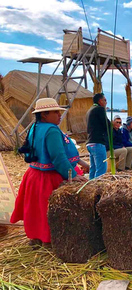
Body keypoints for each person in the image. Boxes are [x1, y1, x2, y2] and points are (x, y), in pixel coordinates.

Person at [10, 98, 87, 247]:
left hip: (33, 175)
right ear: (44, 114)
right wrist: (72, 174)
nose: (59, 115)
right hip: (48, 177)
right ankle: (49, 241)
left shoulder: (35, 126)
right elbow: (58, 157)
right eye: (55, 112)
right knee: (48, 210)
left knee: (36, 209)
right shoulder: (51, 130)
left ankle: (36, 238)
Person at [86, 93, 110, 179]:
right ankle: (97, 188)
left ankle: (90, 186)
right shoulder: (100, 109)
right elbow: (107, 125)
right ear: (100, 101)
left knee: (93, 168)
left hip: (90, 143)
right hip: (98, 143)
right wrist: (112, 125)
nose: (106, 102)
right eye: (105, 100)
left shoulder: (90, 110)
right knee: (101, 169)